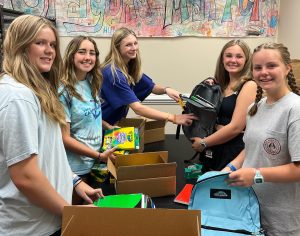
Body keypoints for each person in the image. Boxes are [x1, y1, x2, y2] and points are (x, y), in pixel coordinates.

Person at [0, 15, 104, 236]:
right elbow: (25, 176)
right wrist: (73, 212)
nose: (49, 51)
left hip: (48, 220)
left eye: (53, 45)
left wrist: (74, 182)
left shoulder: (39, 91)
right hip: (29, 227)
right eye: (40, 43)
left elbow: (51, 152)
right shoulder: (18, 96)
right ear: (20, 45)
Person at [226, 43, 300, 236]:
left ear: (287, 68)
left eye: (271, 66)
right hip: (251, 209)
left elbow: (298, 169)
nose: (263, 72)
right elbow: (251, 148)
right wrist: (230, 168)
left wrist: (257, 175)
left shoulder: (295, 109)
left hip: (283, 218)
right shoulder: (254, 108)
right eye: (258, 68)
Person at [100, 27, 197, 126]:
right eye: (128, 45)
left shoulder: (128, 67)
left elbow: (151, 87)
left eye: (135, 43)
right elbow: (138, 109)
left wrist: (166, 90)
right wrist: (173, 118)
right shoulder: (114, 74)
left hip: (113, 123)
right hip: (99, 126)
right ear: (117, 48)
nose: (134, 48)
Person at [59, 36, 116, 203]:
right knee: (76, 216)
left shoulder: (91, 81)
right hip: (75, 169)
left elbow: (89, 114)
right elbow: (64, 138)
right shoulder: (63, 91)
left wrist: (106, 126)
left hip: (94, 163)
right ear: (71, 55)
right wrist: (99, 155)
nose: (88, 57)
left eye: (92, 53)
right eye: (82, 52)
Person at [191, 40, 257, 172]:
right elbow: (210, 116)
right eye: (229, 55)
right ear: (222, 59)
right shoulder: (220, 85)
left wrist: (204, 143)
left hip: (232, 154)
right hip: (213, 149)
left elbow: (235, 128)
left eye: (239, 56)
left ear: (246, 60)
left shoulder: (249, 85)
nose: (233, 60)